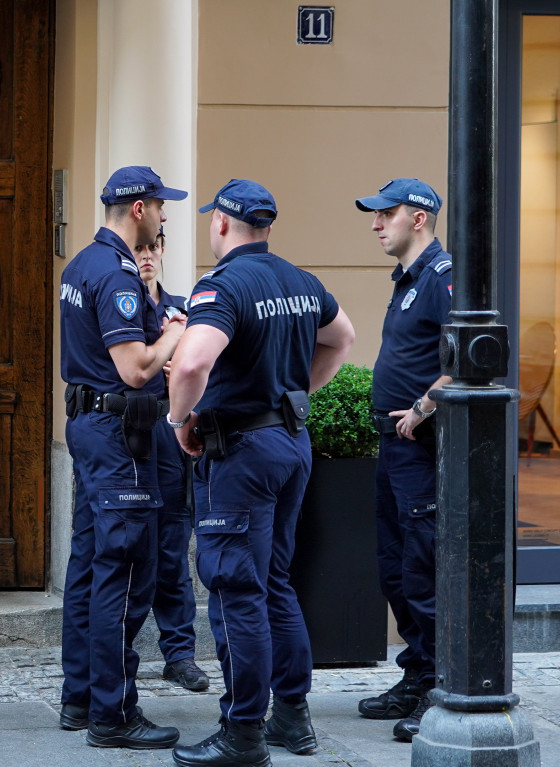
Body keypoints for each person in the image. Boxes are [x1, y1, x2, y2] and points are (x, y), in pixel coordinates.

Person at [165, 179, 355, 767]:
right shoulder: (300, 280)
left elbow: (193, 359)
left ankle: (243, 732)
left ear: (221, 224)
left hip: (241, 454)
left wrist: (179, 419)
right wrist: (294, 398)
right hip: (289, 442)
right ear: (266, 227)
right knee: (274, 582)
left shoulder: (222, 286)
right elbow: (342, 338)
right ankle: (292, 719)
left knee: (235, 589)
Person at [58, 166, 189, 749]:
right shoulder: (116, 276)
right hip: (118, 437)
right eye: (161, 207)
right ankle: (113, 713)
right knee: (125, 570)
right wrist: (176, 332)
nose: (165, 218)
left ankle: (80, 697)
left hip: (89, 428)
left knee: (88, 566)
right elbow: (136, 367)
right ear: (139, 209)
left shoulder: (80, 265)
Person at [352, 178, 452, 742]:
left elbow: (469, 353)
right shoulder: (408, 279)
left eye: (384, 214)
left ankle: (439, 687)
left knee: (422, 568)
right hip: (394, 447)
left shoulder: (441, 276)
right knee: (394, 568)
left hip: (419, 446)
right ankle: (416, 675)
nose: (375, 225)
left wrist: (422, 405)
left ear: (418, 219)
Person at [134, 227, 211, 693]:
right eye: (138, 248)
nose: (146, 256)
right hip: (128, 441)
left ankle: (180, 653)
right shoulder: (120, 303)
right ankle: (112, 653)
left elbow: (205, 364)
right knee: (128, 549)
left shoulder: (183, 307)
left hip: (172, 443)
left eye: (152, 248)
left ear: (163, 250)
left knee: (171, 548)